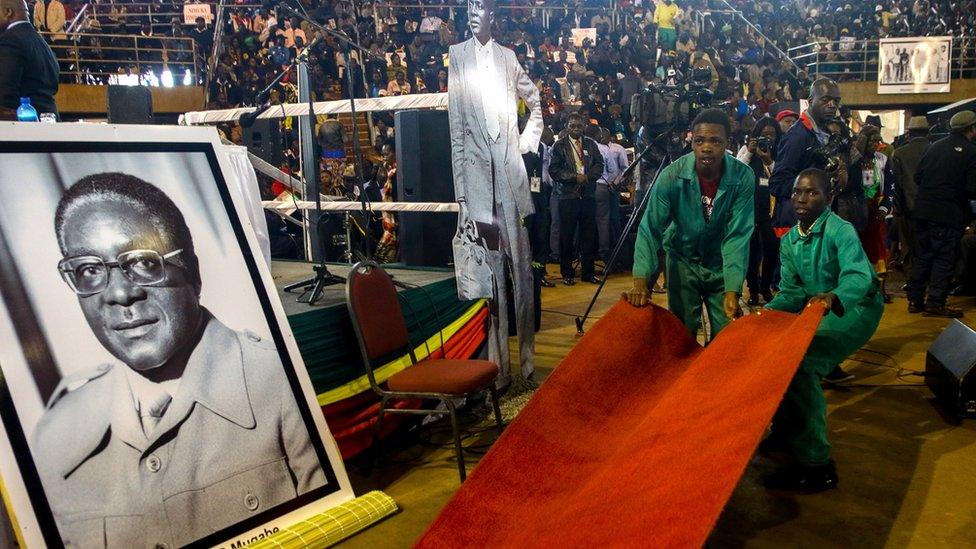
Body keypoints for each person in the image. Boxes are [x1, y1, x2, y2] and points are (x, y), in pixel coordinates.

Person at [33, 173, 326, 547]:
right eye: (89, 270)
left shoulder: (277, 382)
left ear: (193, 272)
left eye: (142, 263)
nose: (121, 294)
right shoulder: (55, 437)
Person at [762, 168, 884, 493]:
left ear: (828, 198)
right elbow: (790, 292)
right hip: (818, 307)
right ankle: (787, 433)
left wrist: (834, 296)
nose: (802, 199)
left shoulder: (840, 230)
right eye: (797, 193)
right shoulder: (789, 239)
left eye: (812, 193)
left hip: (855, 306)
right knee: (782, 358)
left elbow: (859, 277)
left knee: (804, 366)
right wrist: (763, 315)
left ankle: (817, 465)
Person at [447, 0, 542, 387]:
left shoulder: (508, 57)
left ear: (492, 16)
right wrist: (462, 194)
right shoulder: (456, 56)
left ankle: (529, 365)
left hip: (510, 174)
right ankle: (498, 371)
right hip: (478, 182)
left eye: (480, 6)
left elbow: (535, 100)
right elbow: (456, 125)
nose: (473, 11)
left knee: (522, 270)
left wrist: (525, 142)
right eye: (468, 5)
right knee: (492, 280)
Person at [625, 109, 754, 341]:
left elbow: (738, 235)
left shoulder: (743, 176)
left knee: (726, 338)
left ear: (727, 143)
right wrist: (641, 279)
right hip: (682, 260)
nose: (706, 147)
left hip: (721, 263)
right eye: (700, 140)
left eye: (715, 141)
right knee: (681, 334)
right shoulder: (671, 176)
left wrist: (734, 288)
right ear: (691, 140)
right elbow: (650, 228)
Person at [906, 110, 976, 317]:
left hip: (922, 210)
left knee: (923, 256)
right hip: (948, 213)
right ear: (971, 129)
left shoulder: (934, 147)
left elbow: (918, 177)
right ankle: (935, 302)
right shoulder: (972, 152)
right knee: (944, 258)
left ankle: (914, 300)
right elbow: (972, 188)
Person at [769, 78, 842, 236]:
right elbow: (777, 183)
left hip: (818, 221)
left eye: (836, 101)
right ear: (810, 101)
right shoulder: (798, 136)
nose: (832, 105)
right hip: (796, 227)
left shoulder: (826, 134)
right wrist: (813, 186)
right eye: (825, 99)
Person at [549, 114, 604, 286]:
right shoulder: (559, 145)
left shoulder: (590, 144)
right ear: (567, 126)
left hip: (587, 195)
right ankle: (567, 272)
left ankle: (588, 272)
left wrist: (587, 177)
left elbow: (599, 165)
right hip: (567, 196)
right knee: (567, 235)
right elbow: (554, 170)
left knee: (588, 235)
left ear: (584, 127)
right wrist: (574, 177)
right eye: (572, 126)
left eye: (579, 126)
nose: (576, 129)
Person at [842, 124, 893, 302]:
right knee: (858, 247)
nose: (876, 143)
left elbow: (889, 186)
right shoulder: (854, 159)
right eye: (872, 140)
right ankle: (860, 286)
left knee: (878, 248)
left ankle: (880, 288)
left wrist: (884, 207)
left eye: (878, 140)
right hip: (856, 210)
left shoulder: (883, 160)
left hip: (876, 210)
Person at [737, 116, 781, 306]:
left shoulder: (779, 152)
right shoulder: (747, 150)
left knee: (772, 249)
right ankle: (753, 290)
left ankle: (766, 287)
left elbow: (781, 176)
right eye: (764, 135)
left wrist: (769, 160)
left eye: (772, 135)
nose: (768, 139)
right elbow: (737, 171)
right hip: (750, 210)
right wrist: (750, 151)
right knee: (752, 252)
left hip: (772, 212)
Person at [0, 0, 58, 119]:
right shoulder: (42, 43)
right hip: (49, 121)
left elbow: (4, 94)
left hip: (23, 127)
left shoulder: (10, 40)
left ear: (8, 12)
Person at [890, 115, 930, 274]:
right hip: (931, 207)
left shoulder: (900, 153)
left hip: (908, 207)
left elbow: (897, 183)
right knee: (927, 245)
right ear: (927, 133)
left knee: (909, 245)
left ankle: (912, 279)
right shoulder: (934, 150)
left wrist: (897, 209)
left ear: (910, 134)